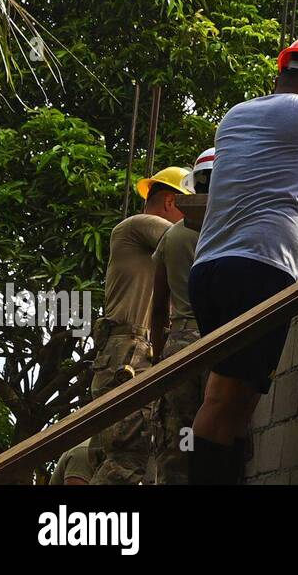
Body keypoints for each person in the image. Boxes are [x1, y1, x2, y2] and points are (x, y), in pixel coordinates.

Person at [187, 36, 298, 485]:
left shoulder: (236, 114)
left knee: (235, 401)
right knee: (223, 403)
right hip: (258, 267)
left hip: (210, 268)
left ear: (282, 71)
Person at [89, 165, 189, 485]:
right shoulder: (137, 225)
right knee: (127, 458)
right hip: (130, 350)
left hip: (140, 348)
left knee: (143, 454)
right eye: (191, 209)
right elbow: (188, 241)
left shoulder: (163, 257)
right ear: (171, 202)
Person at [146, 147, 214, 484]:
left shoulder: (172, 236)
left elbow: (158, 308)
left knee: (178, 444)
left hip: (180, 345)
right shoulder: (230, 229)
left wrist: (159, 358)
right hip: (224, 339)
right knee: (220, 435)